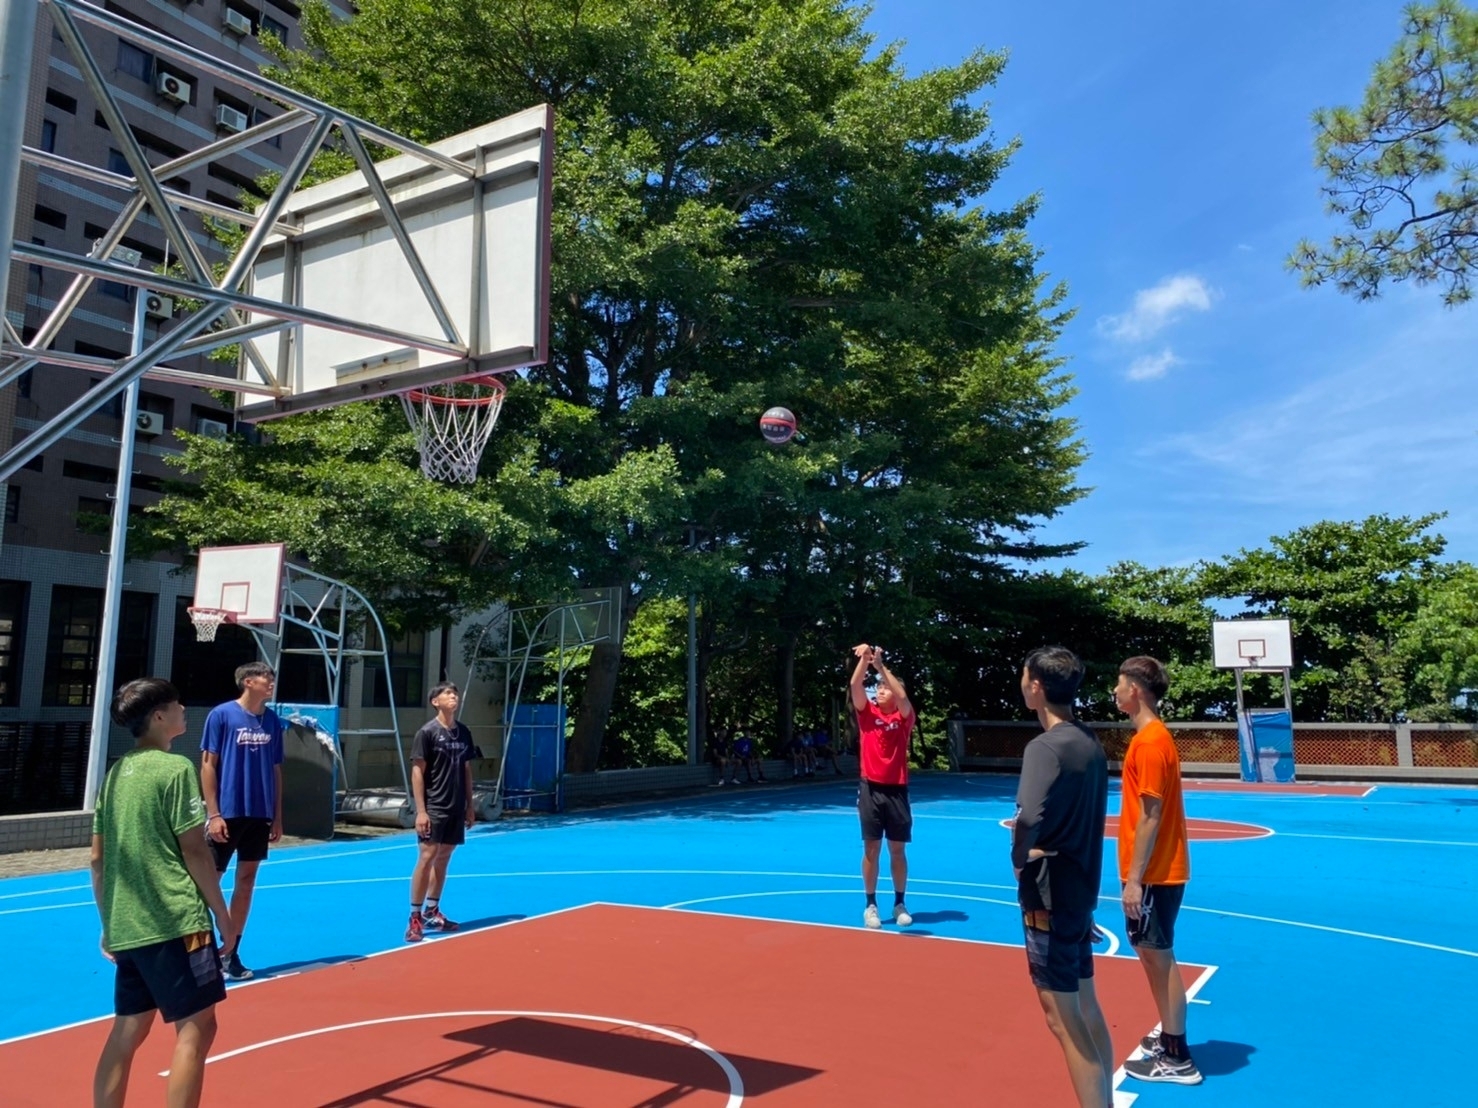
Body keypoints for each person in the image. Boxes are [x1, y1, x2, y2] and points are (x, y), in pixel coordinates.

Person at [90, 678, 237, 1108]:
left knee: (128, 1030)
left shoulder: (116, 773)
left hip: (128, 923)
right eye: (176, 704)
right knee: (197, 1027)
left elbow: (97, 858)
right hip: (176, 920)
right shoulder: (175, 769)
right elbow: (194, 849)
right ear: (158, 717)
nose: (183, 709)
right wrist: (222, 914)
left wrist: (108, 923)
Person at [1013, 646, 1113, 1108]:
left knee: (1063, 1019)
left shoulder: (1045, 747)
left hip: (1049, 892)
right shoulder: (1089, 742)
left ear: (1037, 686)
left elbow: (1029, 814)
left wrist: (1019, 856)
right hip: (1079, 888)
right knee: (1087, 1010)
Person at [1113, 656, 1203, 1085]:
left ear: (1136, 691)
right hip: (1158, 870)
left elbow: (1150, 814)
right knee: (1151, 955)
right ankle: (1168, 1036)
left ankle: (1177, 1057)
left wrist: (1134, 878)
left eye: (1119, 683)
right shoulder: (1153, 738)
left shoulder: (1150, 743)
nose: (1114, 691)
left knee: (1159, 957)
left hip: (1154, 872)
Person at [200, 661, 283, 981]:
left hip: (259, 813)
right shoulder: (221, 715)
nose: (271, 683)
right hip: (228, 812)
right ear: (248, 682)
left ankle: (230, 952)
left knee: (246, 880)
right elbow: (208, 765)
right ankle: (197, 949)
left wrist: (277, 815)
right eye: (267, 678)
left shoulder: (273, 721)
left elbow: (276, 769)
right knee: (209, 882)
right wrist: (214, 813)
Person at [850, 643, 915, 929]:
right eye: (878, 688)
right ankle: (870, 904)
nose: (880, 691)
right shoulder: (867, 715)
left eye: (884, 688)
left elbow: (903, 697)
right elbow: (855, 686)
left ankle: (900, 902)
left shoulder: (902, 719)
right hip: (870, 789)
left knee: (897, 850)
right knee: (871, 848)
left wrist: (881, 666)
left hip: (896, 789)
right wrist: (865, 660)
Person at [407, 681, 477, 942]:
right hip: (434, 805)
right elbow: (417, 772)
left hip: (456, 806)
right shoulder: (426, 733)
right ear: (435, 701)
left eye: (455, 693)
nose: (453, 696)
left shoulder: (464, 732)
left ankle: (432, 910)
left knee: (444, 856)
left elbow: (467, 770)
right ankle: (414, 917)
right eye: (447, 693)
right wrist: (421, 811)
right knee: (427, 855)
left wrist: (470, 805)